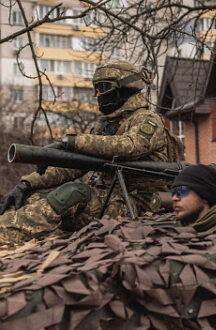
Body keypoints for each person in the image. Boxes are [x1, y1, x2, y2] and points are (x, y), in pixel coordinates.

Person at [0, 60, 182, 245]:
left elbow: (130, 146)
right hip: (108, 200)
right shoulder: (105, 126)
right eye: (96, 88)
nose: (97, 94)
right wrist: (27, 184)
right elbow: (74, 166)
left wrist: (70, 142)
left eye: (103, 87)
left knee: (72, 193)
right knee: (35, 197)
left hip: (137, 203)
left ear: (126, 88)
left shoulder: (148, 120)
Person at [171, 164, 216, 233]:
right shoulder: (173, 232)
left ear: (205, 196)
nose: (174, 198)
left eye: (182, 191)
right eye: (173, 192)